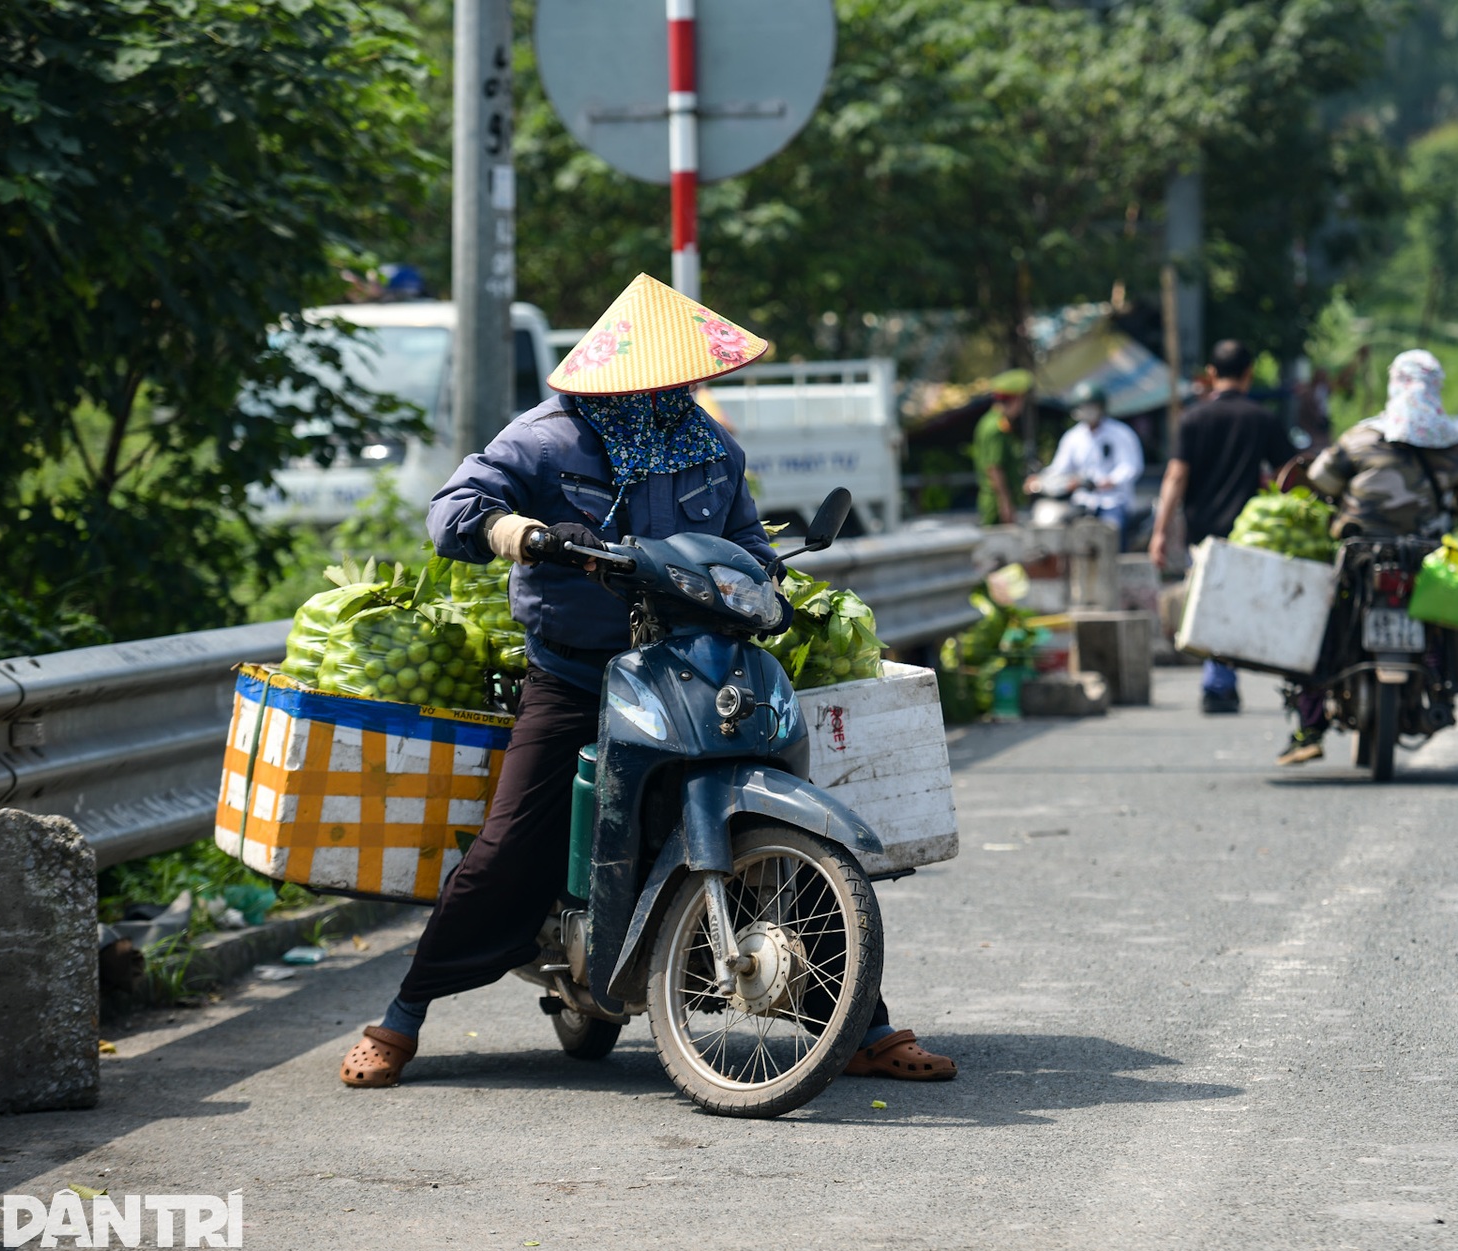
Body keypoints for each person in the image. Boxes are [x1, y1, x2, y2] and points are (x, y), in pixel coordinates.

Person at [338, 274, 955, 1088]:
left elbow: (740, 539)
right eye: (664, 374)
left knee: (778, 841)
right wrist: (513, 530)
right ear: (620, 372)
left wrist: (764, 571)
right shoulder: (545, 439)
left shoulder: (707, 446)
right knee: (509, 844)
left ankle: (858, 1023)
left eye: (684, 375)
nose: (678, 388)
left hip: (695, 665)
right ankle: (404, 1016)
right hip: (578, 676)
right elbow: (454, 504)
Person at [1275, 349, 1458, 764]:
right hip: (1425, 555)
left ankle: (1309, 725)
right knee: (1441, 624)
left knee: (1323, 627)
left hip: (1358, 553)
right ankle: (1443, 684)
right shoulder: (1454, 447)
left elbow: (1321, 481)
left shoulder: (1360, 437)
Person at [1148, 339, 1297, 715]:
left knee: (1212, 604)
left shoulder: (1193, 418)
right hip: (1251, 532)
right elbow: (1288, 475)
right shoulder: (1261, 418)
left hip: (1203, 533)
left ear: (1211, 375)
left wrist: (1161, 530)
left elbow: (1176, 476)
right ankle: (1224, 680)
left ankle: (1219, 682)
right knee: (1235, 604)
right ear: (1248, 374)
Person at [1024, 381, 1143, 533]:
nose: (1087, 411)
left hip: (1112, 502)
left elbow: (1130, 467)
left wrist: (1110, 481)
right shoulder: (1073, 437)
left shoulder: (1120, 434)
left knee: (1111, 533)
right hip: (1081, 502)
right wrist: (1040, 479)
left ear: (1101, 407)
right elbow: (1059, 468)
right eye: (1083, 407)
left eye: (1091, 407)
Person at [972, 368, 1032, 526]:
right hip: (995, 504)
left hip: (996, 501)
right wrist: (1005, 503)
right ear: (1016, 400)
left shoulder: (994, 422)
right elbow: (994, 468)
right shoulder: (995, 428)